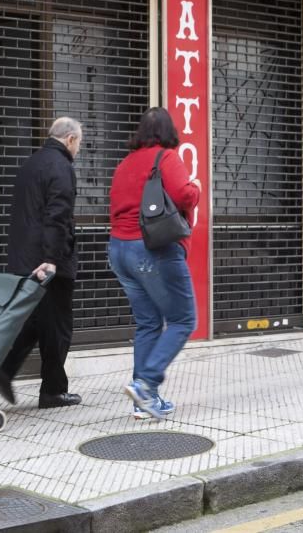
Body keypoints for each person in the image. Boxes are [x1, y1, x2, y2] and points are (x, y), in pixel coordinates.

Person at [108, 107, 201, 420]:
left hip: (119, 250)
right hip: (151, 249)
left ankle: (143, 402)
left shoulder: (124, 164)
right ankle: (147, 385)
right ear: (168, 131)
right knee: (183, 320)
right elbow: (184, 195)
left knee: (148, 323)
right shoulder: (166, 157)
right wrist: (197, 188)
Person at [0, 117, 84, 409]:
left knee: (34, 322)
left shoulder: (30, 164)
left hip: (23, 258)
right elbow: (57, 217)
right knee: (58, 327)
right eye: (79, 143)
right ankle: (53, 391)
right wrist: (53, 259)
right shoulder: (61, 167)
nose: (78, 149)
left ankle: (5, 369)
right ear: (70, 139)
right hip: (48, 262)